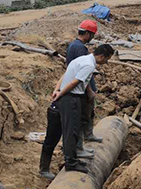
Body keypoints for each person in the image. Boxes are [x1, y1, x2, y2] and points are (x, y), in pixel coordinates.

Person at [39, 44, 114, 179]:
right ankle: (71, 163)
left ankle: (44, 168)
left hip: (61, 100)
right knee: (71, 132)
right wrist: (61, 93)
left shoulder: (79, 60)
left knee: (52, 135)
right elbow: (74, 82)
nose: (105, 63)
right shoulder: (89, 65)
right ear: (101, 56)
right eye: (106, 59)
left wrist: (57, 90)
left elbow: (64, 76)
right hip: (71, 99)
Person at [66, 20, 102, 161]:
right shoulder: (80, 48)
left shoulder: (73, 45)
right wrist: (89, 90)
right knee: (82, 117)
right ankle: (80, 147)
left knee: (87, 114)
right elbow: (81, 75)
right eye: (92, 34)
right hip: (82, 89)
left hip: (80, 88)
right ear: (87, 33)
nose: (92, 37)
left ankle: (88, 135)